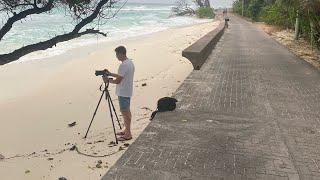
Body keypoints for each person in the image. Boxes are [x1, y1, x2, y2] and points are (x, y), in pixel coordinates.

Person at [103, 46, 135, 141]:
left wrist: (107, 80)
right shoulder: (129, 62)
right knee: (126, 112)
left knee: (125, 113)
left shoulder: (123, 65)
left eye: (117, 54)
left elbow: (118, 81)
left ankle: (128, 134)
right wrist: (110, 74)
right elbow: (121, 75)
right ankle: (126, 130)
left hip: (123, 92)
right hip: (127, 91)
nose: (116, 56)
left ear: (121, 53)